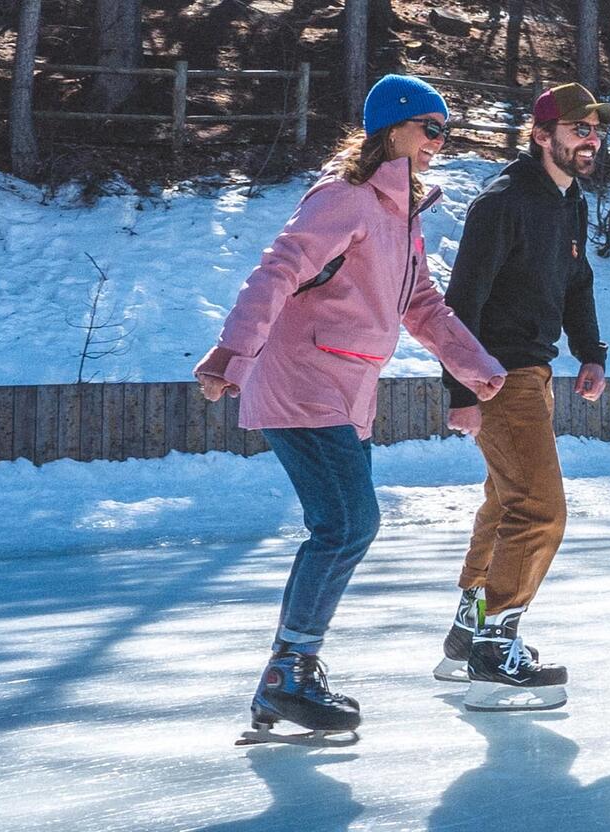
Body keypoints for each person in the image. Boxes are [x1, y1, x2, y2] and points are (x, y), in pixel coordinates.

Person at [194, 74, 506, 736]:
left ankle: (287, 674)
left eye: (444, 131)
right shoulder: (344, 198)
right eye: (431, 128)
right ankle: (289, 671)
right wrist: (232, 352)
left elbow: (421, 304)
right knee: (346, 525)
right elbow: (277, 269)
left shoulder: (402, 215)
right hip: (300, 382)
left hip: (344, 390)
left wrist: (473, 364)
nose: (438, 143)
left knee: (342, 526)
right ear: (392, 128)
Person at [434, 82, 610, 711]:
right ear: (542, 136)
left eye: (594, 129)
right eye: (577, 129)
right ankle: (494, 644)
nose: (590, 139)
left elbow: (576, 278)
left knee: (506, 502)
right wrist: (462, 390)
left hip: (534, 374)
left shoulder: (571, 202)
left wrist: (591, 351)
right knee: (540, 510)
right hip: (498, 375)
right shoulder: (502, 204)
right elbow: (460, 305)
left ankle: (468, 626)